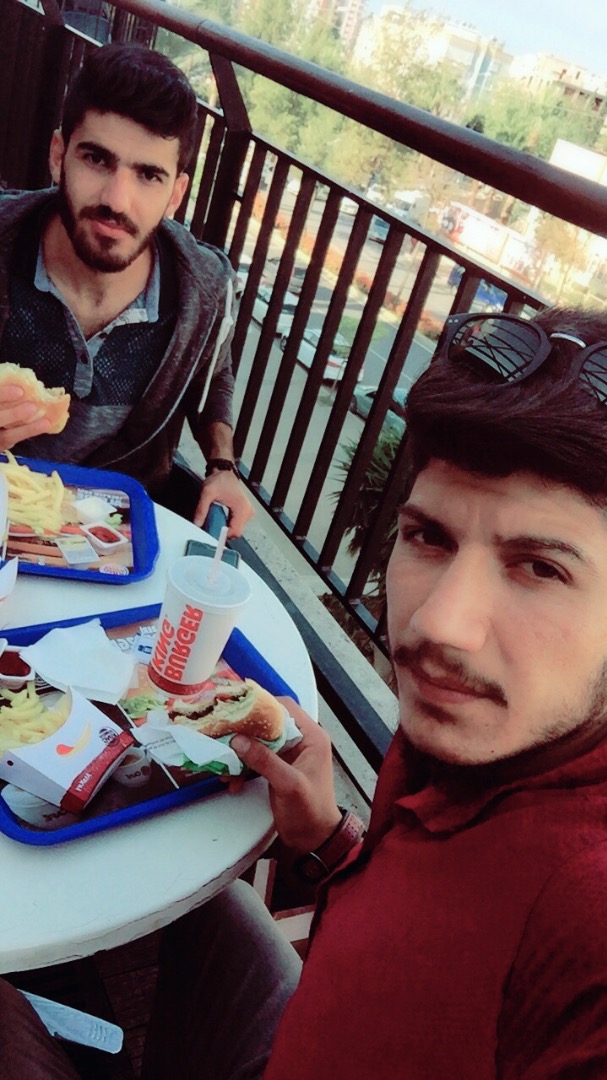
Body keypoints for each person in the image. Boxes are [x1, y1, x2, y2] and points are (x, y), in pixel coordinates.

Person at [7, 305, 607, 1077]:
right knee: (199, 900)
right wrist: (330, 843)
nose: (438, 622)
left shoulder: (582, 911)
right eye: (429, 536)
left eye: (540, 568)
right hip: (325, 999)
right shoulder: (472, 744)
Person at [0, 44, 252, 536]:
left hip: (113, 534)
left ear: (175, 194)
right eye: (97, 159)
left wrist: (222, 466)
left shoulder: (205, 291)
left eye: (148, 175)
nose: (117, 200)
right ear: (58, 155)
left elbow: (212, 376)